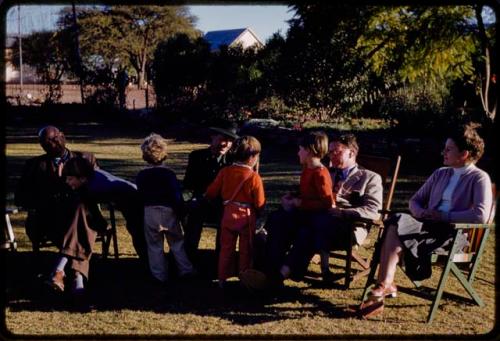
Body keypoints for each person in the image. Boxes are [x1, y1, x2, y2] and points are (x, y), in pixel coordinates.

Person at [359, 123, 493, 318]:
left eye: (449, 149)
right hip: (426, 227)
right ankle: (385, 285)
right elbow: (414, 201)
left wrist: (443, 216)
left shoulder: (479, 178)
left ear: (464, 154)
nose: (443, 152)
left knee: (395, 226)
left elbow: (480, 215)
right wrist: (422, 212)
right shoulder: (440, 173)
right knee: (396, 221)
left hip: (452, 236)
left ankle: (383, 287)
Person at [248, 131, 335, 288]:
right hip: (303, 215)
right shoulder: (307, 170)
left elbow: (327, 203)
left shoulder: (321, 174)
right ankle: (267, 267)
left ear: (309, 150)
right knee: (276, 221)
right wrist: (292, 196)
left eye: (300, 149)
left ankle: (279, 274)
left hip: (314, 219)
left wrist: (298, 203)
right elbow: (306, 193)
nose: (298, 152)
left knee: (296, 231)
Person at [313, 133, 383, 281]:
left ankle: (290, 269)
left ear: (351, 153)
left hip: (350, 226)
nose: (330, 155)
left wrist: (343, 212)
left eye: (335, 151)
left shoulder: (370, 178)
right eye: (329, 151)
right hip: (321, 220)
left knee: (315, 225)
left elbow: (373, 210)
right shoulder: (325, 174)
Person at [15, 125, 98, 248]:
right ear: (42, 146)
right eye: (47, 142)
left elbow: (97, 187)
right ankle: (72, 261)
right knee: (65, 226)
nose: (54, 143)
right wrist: (55, 186)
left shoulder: (85, 159)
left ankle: (68, 262)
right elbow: (21, 197)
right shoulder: (34, 166)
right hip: (49, 219)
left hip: (83, 216)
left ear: (63, 136)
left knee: (78, 220)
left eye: (55, 138)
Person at [205, 136, 265, 288]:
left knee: (226, 248)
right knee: (246, 250)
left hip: (228, 214)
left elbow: (211, 192)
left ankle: (222, 279)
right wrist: (259, 212)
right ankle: (244, 278)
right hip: (246, 216)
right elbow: (259, 202)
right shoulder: (254, 177)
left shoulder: (225, 171)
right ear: (252, 157)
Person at [136, 133, 195, 283]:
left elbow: (140, 195)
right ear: (164, 155)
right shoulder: (168, 174)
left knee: (154, 245)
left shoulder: (142, 175)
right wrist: (181, 212)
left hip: (150, 211)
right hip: (168, 211)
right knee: (176, 242)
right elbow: (176, 196)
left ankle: (159, 275)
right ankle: (185, 270)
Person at [47, 156, 106, 300]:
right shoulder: (69, 192)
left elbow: (97, 218)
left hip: (81, 229)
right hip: (73, 230)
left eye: (70, 179)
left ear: (83, 179)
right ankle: (78, 283)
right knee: (85, 235)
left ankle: (60, 269)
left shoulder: (89, 193)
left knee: (84, 226)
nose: (67, 182)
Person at [182, 122, 239, 265]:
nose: (225, 144)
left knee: (226, 217)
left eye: (230, 141)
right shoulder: (197, 157)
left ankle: (221, 261)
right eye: (222, 139)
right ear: (213, 137)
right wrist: (188, 200)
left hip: (223, 205)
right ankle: (188, 259)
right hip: (201, 202)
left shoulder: (233, 161)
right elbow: (188, 185)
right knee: (194, 213)